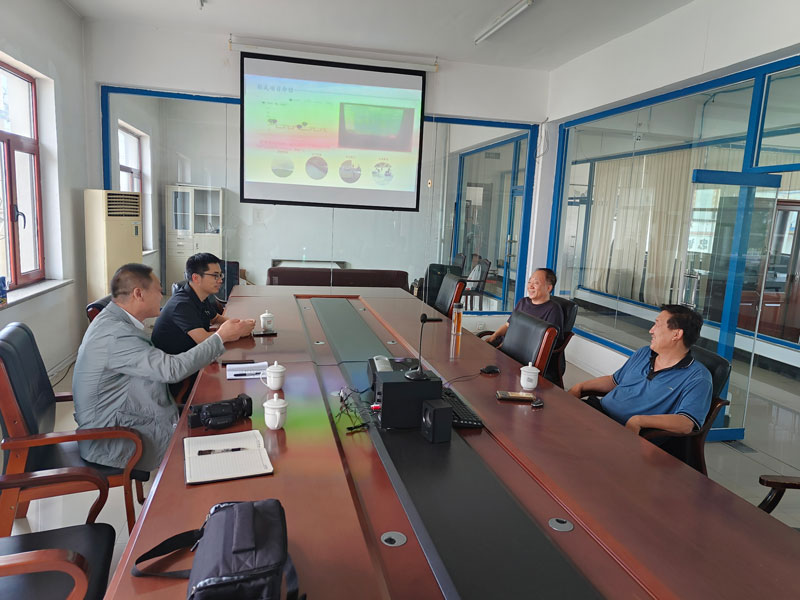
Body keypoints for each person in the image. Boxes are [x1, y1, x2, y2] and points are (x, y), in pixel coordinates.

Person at [72, 263, 254, 471]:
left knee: (228, 418)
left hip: (127, 415)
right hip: (115, 438)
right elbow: (171, 370)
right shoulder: (115, 335)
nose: (162, 296)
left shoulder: (114, 321)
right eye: (159, 290)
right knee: (223, 448)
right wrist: (221, 337)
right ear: (138, 294)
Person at [567, 304, 712, 435]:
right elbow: (614, 381)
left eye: (657, 325)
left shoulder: (697, 377)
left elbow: (686, 423)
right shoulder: (644, 353)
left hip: (622, 432)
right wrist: (580, 387)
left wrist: (639, 421)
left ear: (676, 334)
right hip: (599, 412)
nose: (651, 330)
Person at [152, 253, 254, 396]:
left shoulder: (200, 296)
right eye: (215, 276)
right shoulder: (181, 304)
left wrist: (239, 323)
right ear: (196, 278)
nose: (220, 280)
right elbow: (204, 340)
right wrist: (236, 331)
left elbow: (216, 318)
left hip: (196, 359)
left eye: (220, 275)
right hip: (178, 375)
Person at [485, 268, 564, 347]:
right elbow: (507, 325)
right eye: (529, 282)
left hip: (521, 350)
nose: (530, 286)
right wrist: (494, 336)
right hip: (506, 343)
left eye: (536, 283)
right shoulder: (523, 302)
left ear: (548, 288)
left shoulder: (553, 310)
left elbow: (549, 342)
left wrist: (505, 346)